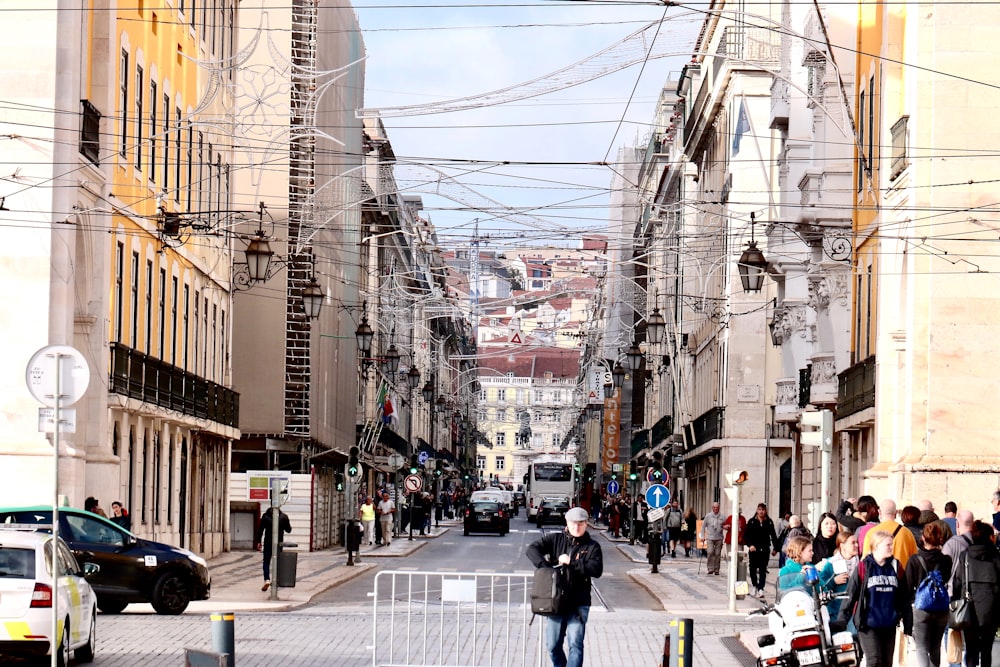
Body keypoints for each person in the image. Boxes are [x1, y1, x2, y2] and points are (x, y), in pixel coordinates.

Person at [525, 506, 603, 667]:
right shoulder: (555, 539)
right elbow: (532, 549)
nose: (577, 527)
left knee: (575, 644)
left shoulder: (592, 546)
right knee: (552, 645)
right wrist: (545, 567)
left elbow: (596, 569)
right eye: (574, 523)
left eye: (581, 523)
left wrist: (572, 563)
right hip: (556, 603)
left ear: (586, 524)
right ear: (567, 523)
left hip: (578, 603)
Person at [837, 529, 912, 667]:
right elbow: (850, 595)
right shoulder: (864, 567)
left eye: (892, 544)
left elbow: (904, 597)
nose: (891, 548)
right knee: (874, 661)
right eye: (888, 545)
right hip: (868, 624)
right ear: (876, 546)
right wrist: (842, 620)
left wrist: (908, 623)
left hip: (888, 623)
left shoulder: (896, 566)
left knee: (886, 663)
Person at [902, 521, 952, 667]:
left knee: (922, 648)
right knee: (935, 647)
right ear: (940, 539)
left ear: (923, 538)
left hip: (921, 608)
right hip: (941, 608)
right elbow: (947, 578)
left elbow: (907, 586)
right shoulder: (946, 560)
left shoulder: (914, 560)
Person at [951, 520, 1000, 667]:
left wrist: (954, 602)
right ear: (990, 537)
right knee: (987, 649)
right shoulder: (997, 558)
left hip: (969, 608)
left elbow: (957, 582)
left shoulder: (964, 556)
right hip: (992, 609)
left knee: (971, 649)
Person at [819, 530, 859, 627]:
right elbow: (820, 587)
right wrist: (834, 581)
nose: (857, 545)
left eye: (857, 542)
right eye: (853, 543)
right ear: (842, 546)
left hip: (855, 613)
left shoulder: (862, 564)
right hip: (836, 613)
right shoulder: (831, 563)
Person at [862, 499, 918, 569]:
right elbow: (915, 559)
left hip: (878, 576)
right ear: (896, 512)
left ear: (879, 512)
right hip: (902, 576)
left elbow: (865, 558)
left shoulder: (871, 533)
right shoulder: (907, 533)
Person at [744, 503, 780, 600]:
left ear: (766, 511)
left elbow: (773, 535)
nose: (761, 511)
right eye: (759, 509)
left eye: (763, 510)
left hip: (764, 549)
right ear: (757, 510)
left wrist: (776, 548)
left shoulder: (769, 522)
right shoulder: (751, 522)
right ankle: (755, 585)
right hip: (754, 549)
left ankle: (761, 588)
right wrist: (750, 545)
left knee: (763, 569)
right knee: (752, 569)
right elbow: (746, 536)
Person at [255, 505, 291, 592]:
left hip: (268, 542)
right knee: (278, 562)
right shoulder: (284, 517)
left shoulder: (265, 516)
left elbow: (260, 530)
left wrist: (258, 541)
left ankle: (267, 579)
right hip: (279, 543)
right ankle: (276, 580)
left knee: (266, 562)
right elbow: (288, 530)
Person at [702, 501, 725, 575]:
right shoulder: (708, 516)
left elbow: (727, 524)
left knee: (717, 554)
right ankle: (710, 568)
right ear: (712, 508)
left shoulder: (723, 517)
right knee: (710, 552)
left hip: (719, 537)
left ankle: (716, 569)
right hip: (710, 537)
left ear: (719, 508)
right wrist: (702, 536)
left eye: (717, 507)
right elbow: (703, 526)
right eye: (714, 507)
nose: (716, 509)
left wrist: (726, 527)